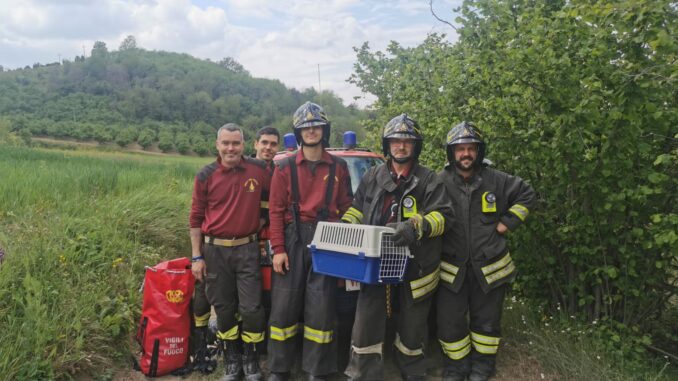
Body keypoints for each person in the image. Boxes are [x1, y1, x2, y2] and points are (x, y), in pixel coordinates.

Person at [342, 114, 452, 381]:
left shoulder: (429, 179)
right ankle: (364, 372)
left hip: (416, 264)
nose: (401, 146)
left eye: (407, 141)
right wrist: (346, 231)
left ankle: (412, 369)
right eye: (395, 141)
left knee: (413, 324)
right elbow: (357, 210)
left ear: (416, 146)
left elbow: (443, 217)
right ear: (387, 144)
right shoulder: (372, 176)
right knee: (366, 320)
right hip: (376, 262)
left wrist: (416, 227)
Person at [437, 121, 536, 381]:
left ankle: (483, 368)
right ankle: (456, 368)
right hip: (451, 269)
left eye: (471, 148)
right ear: (451, 153)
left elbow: (527, 195)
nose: (466, 154)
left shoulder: (497, 179)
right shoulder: (439, 182)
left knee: (487, 324)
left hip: (490, 268)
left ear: (479, 152)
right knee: (451, 323)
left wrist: (507, 223)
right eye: (460, 149)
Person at [267, 101, 353, 381]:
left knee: (322, 308)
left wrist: (341, 241)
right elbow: (276, 212)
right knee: (283, 307)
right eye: (306, 127)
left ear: (324, 129)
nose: (311, 130)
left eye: (316, 126)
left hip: (326, 240)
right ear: (299, 132)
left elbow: (348, 207)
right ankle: (280, 369)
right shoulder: (284, 167)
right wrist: (278, 249)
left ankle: (318, 370)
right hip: (293, 239)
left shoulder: (339, 167)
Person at [190, 123, 270, 381]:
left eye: (235, 143)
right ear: (217, 145)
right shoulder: (205, 175)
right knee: (223, 309)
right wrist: (196, 256)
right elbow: (195, 218)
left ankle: (251, 359)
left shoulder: (259, 170)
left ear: (244, 145)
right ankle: (232, 359)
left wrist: (257, 225)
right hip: (214, 251)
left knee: (251, 308)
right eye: (226, 143)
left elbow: (273, 200)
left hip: (247, 249)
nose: (231, 148)